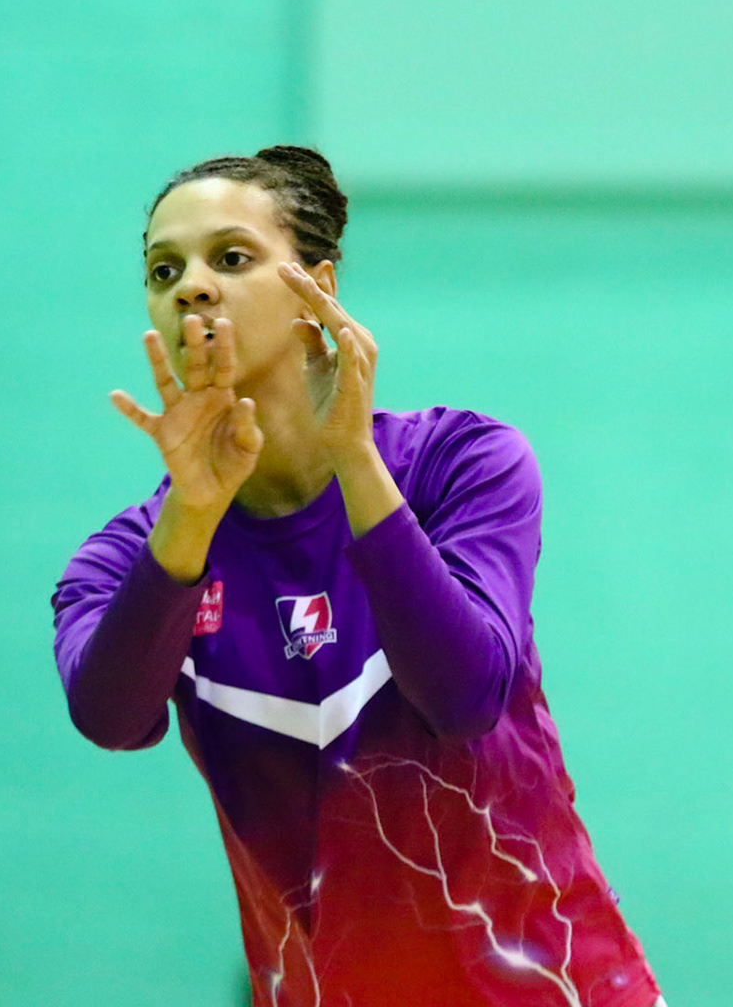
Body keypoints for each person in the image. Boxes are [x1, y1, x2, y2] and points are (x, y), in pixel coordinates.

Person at [50, 147, 664, 1007]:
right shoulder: (136, 554)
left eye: (230, 258)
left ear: (318, 291)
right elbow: (110, 717)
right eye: (164, 268)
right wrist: (192, 514)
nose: (190, 286)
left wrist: (353, 459)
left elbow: (464, 697)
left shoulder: (464, 464)